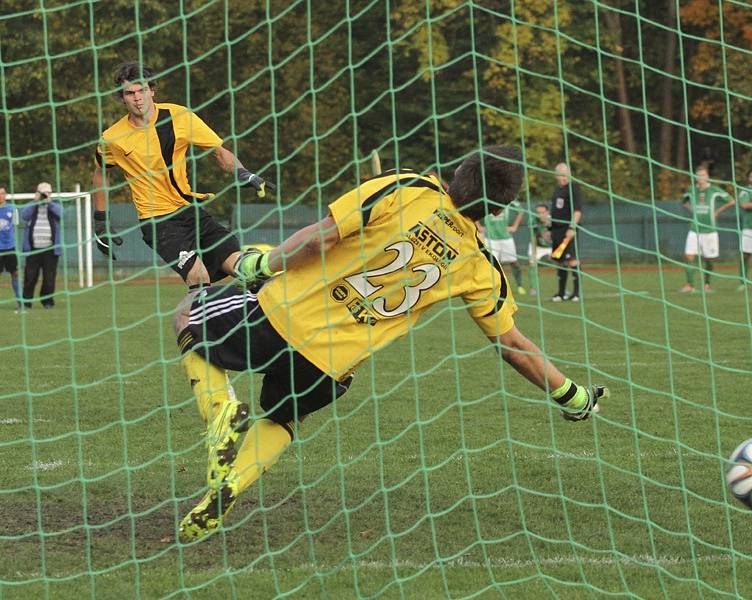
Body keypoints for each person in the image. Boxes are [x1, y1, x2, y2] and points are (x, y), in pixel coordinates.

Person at [172, 146, 608, 541]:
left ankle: (220, 413)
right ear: (499, 207)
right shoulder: (482, 265)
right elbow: (511, 344)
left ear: (458, 171)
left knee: (188, 313)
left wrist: (263, 261)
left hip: (280, 315)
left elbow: (324, 235)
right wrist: (572, 395)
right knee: (283, 419)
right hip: (334, 362)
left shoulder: (408, 186)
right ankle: (231, 485)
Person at [92, 62, 272, 288]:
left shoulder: (179, 115)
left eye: (142, 90)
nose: (138, 98)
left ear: (152, 91)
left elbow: (219, 151)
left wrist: (243, 173)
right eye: (130, 93)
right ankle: (195, 323)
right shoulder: (112, 138)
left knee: (245, 267)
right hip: (157, 222)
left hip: (190, 211)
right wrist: (100, 222)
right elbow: (101, 174)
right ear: (122, 98)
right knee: (199, 278)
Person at [679, 165, 734, 293]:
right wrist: (692, 210)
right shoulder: (691, 190)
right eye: (698, 175)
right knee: (689, 256)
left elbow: (731, 201)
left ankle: (707, 285)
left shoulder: (714, 189)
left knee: (708, 259)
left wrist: (718, 211)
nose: (700, 178)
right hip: (694, 229)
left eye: (703, 175)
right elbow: (684, 201)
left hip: (710, 230)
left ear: (707, 176)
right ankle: (689, 284)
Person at [20, 182, 62, 309]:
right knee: (30, 277)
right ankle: (26, 303)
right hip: (33, 249)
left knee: (49, 278)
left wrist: (48, 202)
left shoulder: (54, 206)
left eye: (47, 193)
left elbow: (61, 214)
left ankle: (47, 302)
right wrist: (36, 201)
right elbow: (24, 215)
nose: (45, 195)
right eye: (43, 193)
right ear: (37, 193)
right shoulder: (32, 207)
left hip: (50, 249)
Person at [478, 197, 525, 295]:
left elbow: (521, 211)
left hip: (506, 238)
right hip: (490, 239)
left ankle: (519, 286)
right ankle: (493, 287)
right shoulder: (485, 199)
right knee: (491, 264)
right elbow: (471, 211)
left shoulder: (507, 198)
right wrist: (479, 227)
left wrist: (515, 226)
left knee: (514, 262)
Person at [549, 163, 582, 302]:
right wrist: (549, 229)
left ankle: (576, 293)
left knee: (572, 259)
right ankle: (561, 293)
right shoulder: (557, 190)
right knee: (559, 260)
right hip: (556, 231)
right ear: (556, 175)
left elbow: (577, 211)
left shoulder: (573, 188)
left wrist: (572, 228)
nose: (563, 177)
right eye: (560, 174)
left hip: (567, 230)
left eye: (565, 174)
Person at [0, 186, 23, 312]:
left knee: (14, 274)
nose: (0, 196)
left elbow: (14, 228)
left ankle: (20, 302)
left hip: (9, 247)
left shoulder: (12, 209)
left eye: (2, 193)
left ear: (6, 195)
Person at [526, 202, 551, 296]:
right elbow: (533, 237)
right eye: (538, 212)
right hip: (537, 246)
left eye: (542, 212)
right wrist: (533, 252)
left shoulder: (553, 220)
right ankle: (533, 289)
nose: (540, 214)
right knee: (532, 265)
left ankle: (563, 288)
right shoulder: (533, 220)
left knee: (562, 264)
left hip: (551, 246)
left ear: (547, 212)